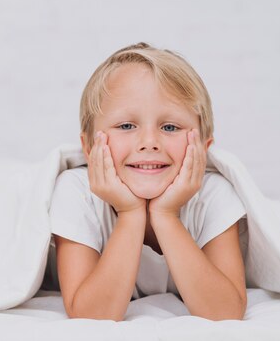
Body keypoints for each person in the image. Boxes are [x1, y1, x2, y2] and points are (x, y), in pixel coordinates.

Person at [42, 42, 248, 321]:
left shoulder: (212, 195)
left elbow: (226, 312)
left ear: (202, 147)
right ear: (89, 147)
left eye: (170, 127)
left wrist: (166, 216)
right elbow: (91, 315)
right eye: (126, 126)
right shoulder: (77, 193)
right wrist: (130, 214)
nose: (149, 142)